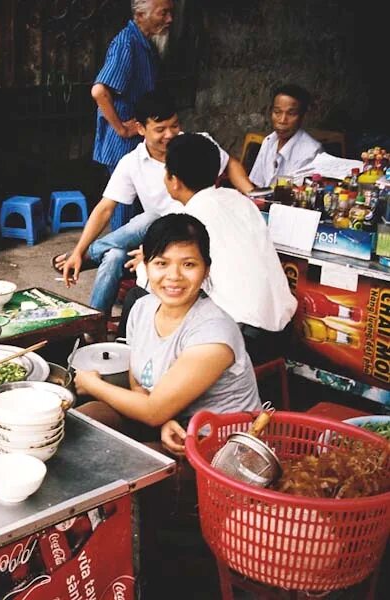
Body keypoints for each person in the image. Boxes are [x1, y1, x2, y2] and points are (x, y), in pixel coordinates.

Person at [75, 213, 262, 455]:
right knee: (84, 421)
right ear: (146, 266)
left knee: (127, 466)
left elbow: (152, 410)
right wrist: (163, 420)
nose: (174, 276)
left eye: (188, 264)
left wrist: (93, 384)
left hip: (219, 450)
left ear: (206, 270)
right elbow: (139, 382)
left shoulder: (214, 332)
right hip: (170, 424)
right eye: (161, 263)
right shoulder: (143, 308)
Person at [56, 90, 253, 314]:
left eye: (175, 125)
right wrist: (77, 249)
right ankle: (92, 327)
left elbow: (229, 163)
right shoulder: (131, 163)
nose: (170, 134)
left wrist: (252, 191)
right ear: (140, 128)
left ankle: (92, 256)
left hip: (189, 236)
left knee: (124, 246)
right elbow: (105, 209)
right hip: (156, 232)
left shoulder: (194, 146)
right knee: (133, 236)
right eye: (160, 129)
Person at [122, 134, 298, 363]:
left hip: (239, 340)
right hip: (281, 331)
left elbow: (159, 281)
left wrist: (145, 266)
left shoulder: (189, 221)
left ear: (173, 180)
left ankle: (127, 367)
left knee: (138, 297)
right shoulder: (240, 200)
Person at [92, 0, 173, 231]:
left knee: (137, 215)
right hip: (123, 144)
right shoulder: (126, 44)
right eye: (163, 13)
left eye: (170, 13)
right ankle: (111, 260)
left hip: (137, 140)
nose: (169, 20)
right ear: (140, 15)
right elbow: (99, 91)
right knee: (123, 215)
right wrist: (121, 128)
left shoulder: (144, 44)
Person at [249, 84, 322, 188]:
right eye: (277, 112)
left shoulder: (312, 152)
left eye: (291, 113)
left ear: (302, 116)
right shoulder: (269, 141)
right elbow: (257, 184)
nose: (282, 120)